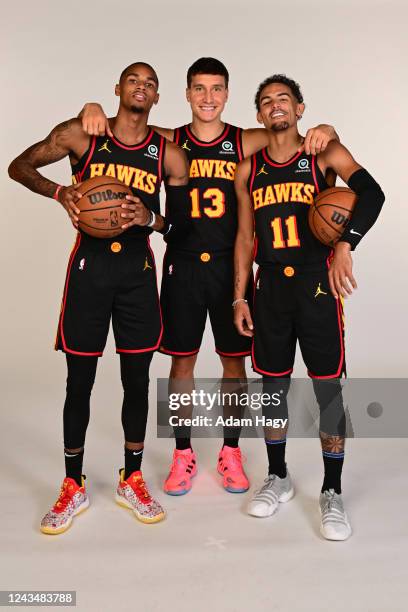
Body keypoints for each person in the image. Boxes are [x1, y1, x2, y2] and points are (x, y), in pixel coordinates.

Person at [80, 58, 338, 497]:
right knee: (182, 361)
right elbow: (125, 125)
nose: (207, 98)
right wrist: (93, 109)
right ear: (185, 94)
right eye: (199, 89)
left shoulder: (245, 139)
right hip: (181, 263)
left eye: (216, 89)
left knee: (232, 362)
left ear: (228, 95)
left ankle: (231, 450)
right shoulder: (168, 138)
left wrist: (326, 128)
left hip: (228, 266)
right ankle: (183, 452)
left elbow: (292, 136)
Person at [8, 62, 190, 533]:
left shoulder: (167, 154)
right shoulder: (81, 133)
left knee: (136, 379)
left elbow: (181, 227)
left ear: (156, 98)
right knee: (79, 380)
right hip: (89, 271)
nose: (142, 87)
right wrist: (59, 191)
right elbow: (19, 165)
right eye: (134, 80)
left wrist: (151, 217)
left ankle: (132, 477)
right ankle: (73, 484)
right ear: (117, 89)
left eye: (150, 83)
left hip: (138, 273)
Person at [233, 74, 384, 540]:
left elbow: (373, 195)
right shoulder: (248, 169)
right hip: (271, 287)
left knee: (328, 392)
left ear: (300, 108)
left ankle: (332, 490)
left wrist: (345, 243)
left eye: (284, 98)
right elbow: (244, 238)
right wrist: (240, 295)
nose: (275, 105)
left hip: (318, 285)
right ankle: (278, 476)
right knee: (272, 387)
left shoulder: (324, 152)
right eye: (266, 101)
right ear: (259, 116)